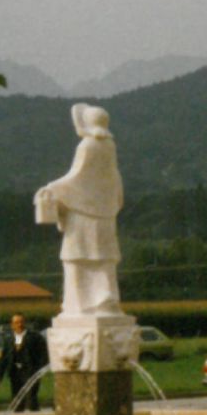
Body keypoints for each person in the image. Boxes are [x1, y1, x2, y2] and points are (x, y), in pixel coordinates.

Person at [34, 103, 124, 316]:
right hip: (104, 213)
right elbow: (111, 180)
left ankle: (80, 304)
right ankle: (105, 299)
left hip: (83, 214)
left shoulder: (87, 146)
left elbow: (78, 178)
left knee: (76, 258)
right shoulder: (109, 147)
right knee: (103, 259)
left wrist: (51, 189)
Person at [0, 313, 50, 411]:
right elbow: (4, 359)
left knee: (31, 398)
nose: (19, 325)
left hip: (31, 372)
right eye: (16, 323)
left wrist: (40, 370)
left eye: (21, 322)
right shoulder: (9, 339)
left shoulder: (35, 337)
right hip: (15, 373)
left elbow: (44, 354)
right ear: (12, 325)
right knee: (16, 400)